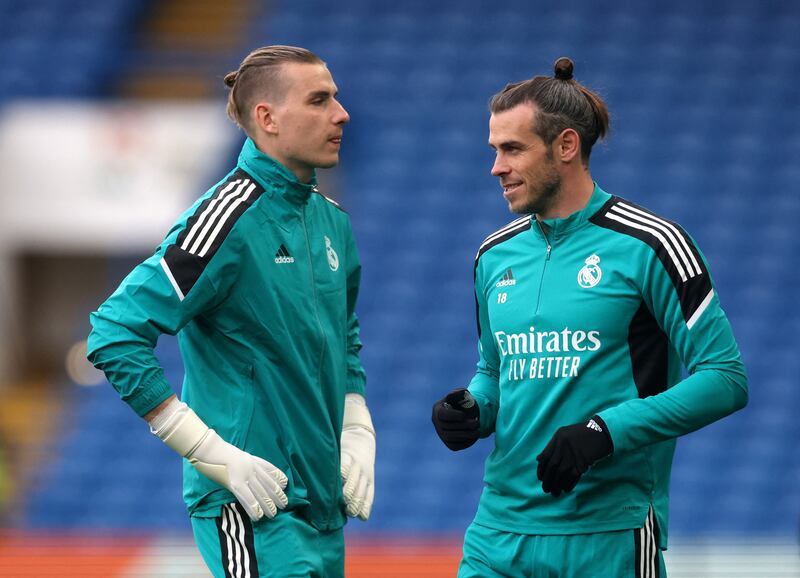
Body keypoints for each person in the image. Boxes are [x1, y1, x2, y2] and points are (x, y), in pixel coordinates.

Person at [432, 57, 748, 577]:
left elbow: (725, 379)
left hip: (607, 533)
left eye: (512, 149)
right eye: (494, 150)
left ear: (566, 146)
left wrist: (606, 430)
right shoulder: (492, 256)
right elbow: (494, 371)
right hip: (497, 534)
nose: (496, 167)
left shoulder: (652, 245)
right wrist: (473, 408)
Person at [88, 45, 375, 578]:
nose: (342, 113)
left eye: (335, 98)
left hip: (322, 509)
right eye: (320, 100)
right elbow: (112, 331)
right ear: (266, 118)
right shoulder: (226, 218)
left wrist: (358, 429)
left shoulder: (334, 222)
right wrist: (206, 450)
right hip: (250, 509)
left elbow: (345, 333)